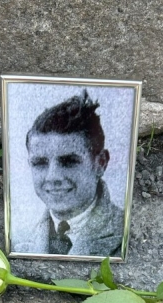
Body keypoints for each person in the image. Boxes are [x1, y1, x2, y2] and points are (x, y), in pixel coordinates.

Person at [15, 90, 125, 257]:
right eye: (40, 163)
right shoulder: (18, 239)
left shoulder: (125, 231)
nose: (53, 177)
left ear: (100, 163)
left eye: (69, 162)